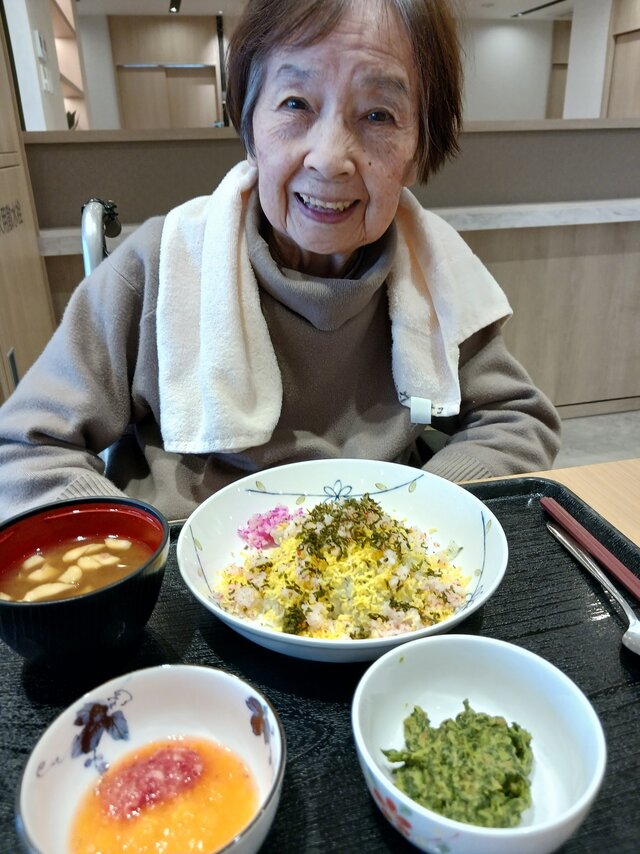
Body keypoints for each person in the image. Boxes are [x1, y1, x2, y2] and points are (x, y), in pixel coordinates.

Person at [0, 0, 560, 524]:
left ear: (418, 149)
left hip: (377, 566)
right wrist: (138, 545)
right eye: (296, 103)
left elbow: (517, 420)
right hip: (189, 558)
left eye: (379, 115)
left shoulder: (434, 273)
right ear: (250, 128)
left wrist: (418, 512)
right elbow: (24, 450)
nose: (330, 158)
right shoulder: (159, 267)